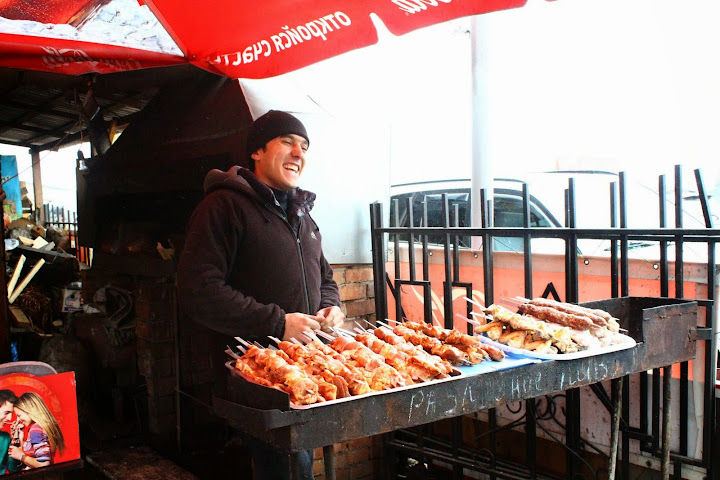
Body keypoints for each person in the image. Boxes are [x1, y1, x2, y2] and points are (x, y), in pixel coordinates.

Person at [177, 110, 345, 479]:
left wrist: (331, 307)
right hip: (256, 376)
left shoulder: (302, 215)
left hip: (305, 370)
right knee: (288, 469)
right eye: (287, 141)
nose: (298, 153)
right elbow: (198, 290)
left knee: (296, 465)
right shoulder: (223, 207)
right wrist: (277, 322)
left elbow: (326, 277)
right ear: (256, 151)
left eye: (303, 146)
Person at [7, 392, 65, 470]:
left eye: (19, 415)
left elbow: (44, 464)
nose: (18, 420)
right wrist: (20, 437)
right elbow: (34, 451)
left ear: (28, 410)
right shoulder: (40, 427)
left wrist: (21, 457)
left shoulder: (36, 430)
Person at [0, 390, 19, 475]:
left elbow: (13, 470)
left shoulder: (6, 438)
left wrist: (15, 440)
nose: (10, 418)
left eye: (11, 413)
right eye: (7, 413)